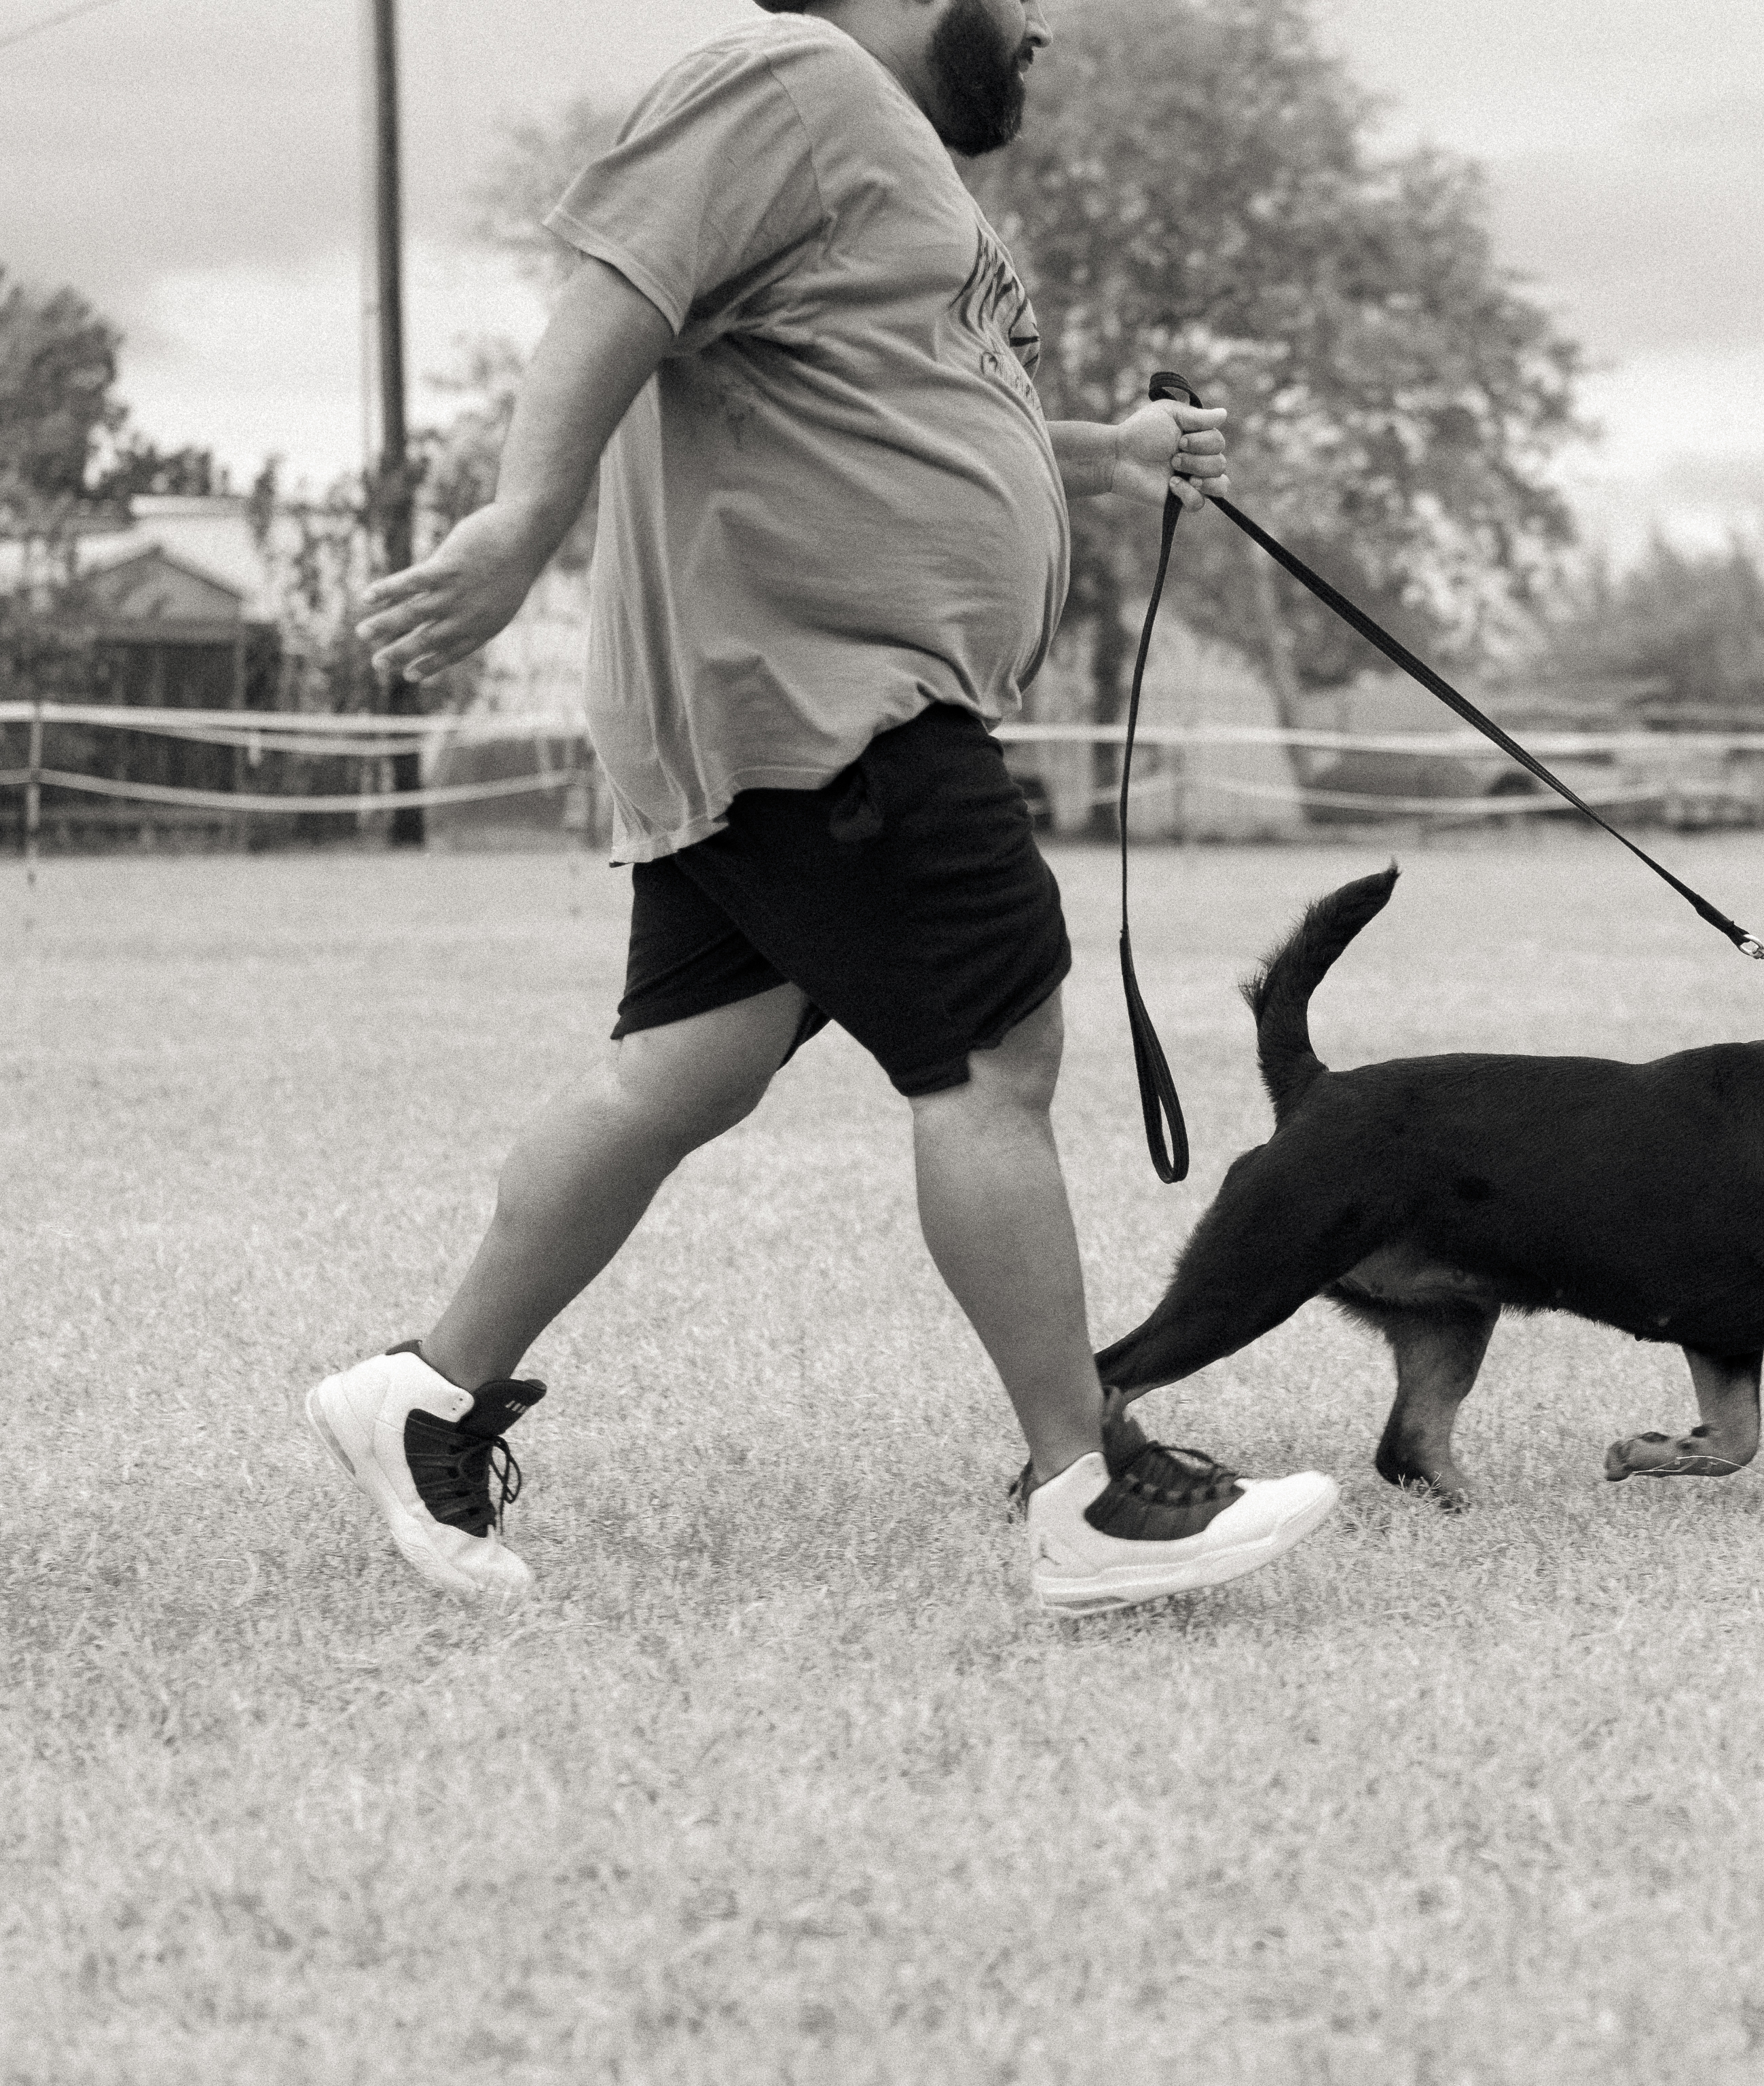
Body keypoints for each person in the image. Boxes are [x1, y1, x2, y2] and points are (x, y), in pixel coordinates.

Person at [305, 0, 1336, 1617]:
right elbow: (619, 281)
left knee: (680, 1073)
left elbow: (911, 398)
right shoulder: (790, 79)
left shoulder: (887, 166)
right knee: (997, 1055)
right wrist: (522, 516)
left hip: (785, 705)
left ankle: (426, 1393)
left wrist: (1109, 451)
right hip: (831, 693)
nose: (1045, 26)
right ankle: (1083, 1483)